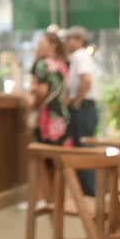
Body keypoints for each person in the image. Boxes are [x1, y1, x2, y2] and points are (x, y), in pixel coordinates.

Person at [63, 26, 101, 195]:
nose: (67, 42)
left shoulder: (80, 56)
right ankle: (86, 192)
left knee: (83, 151)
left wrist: (77, 101)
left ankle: (89, 193)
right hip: (84, 108)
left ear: (79, 40)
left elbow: (86, 80)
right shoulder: (78, 57)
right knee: (82, 150)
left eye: (71, 38)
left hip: (84, 108)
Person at [28, 29, 70, 145]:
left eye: (41, 44)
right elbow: (66, 94)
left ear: (52, 46)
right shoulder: (63, 64)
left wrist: (32, 106)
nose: (38, 47)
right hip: (61, 116)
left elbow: (42, 92)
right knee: (57, 157)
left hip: (46, 118)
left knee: (43, 156)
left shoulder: (42, 64)